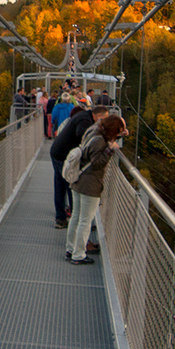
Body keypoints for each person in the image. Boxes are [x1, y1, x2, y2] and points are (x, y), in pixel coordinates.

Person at [66, 114, 127, 264]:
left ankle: (71, 249)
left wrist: (117, 137)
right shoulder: (100, 142)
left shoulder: (94, 133)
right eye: (117, 131)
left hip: (79, 180)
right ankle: (78, 255)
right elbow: (97, 163)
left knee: (76, 216)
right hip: (90, 184)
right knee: (85, 221)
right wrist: (110, 151)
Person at [49, 102, 108, 230]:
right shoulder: (85, 121)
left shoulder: (83, 115)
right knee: (71, 186)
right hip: (63, 155)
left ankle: (61, 219)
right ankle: (77, 223)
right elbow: (82, 135)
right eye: (105, 118)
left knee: (60, 187)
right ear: (98, 116)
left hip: (57, 152)